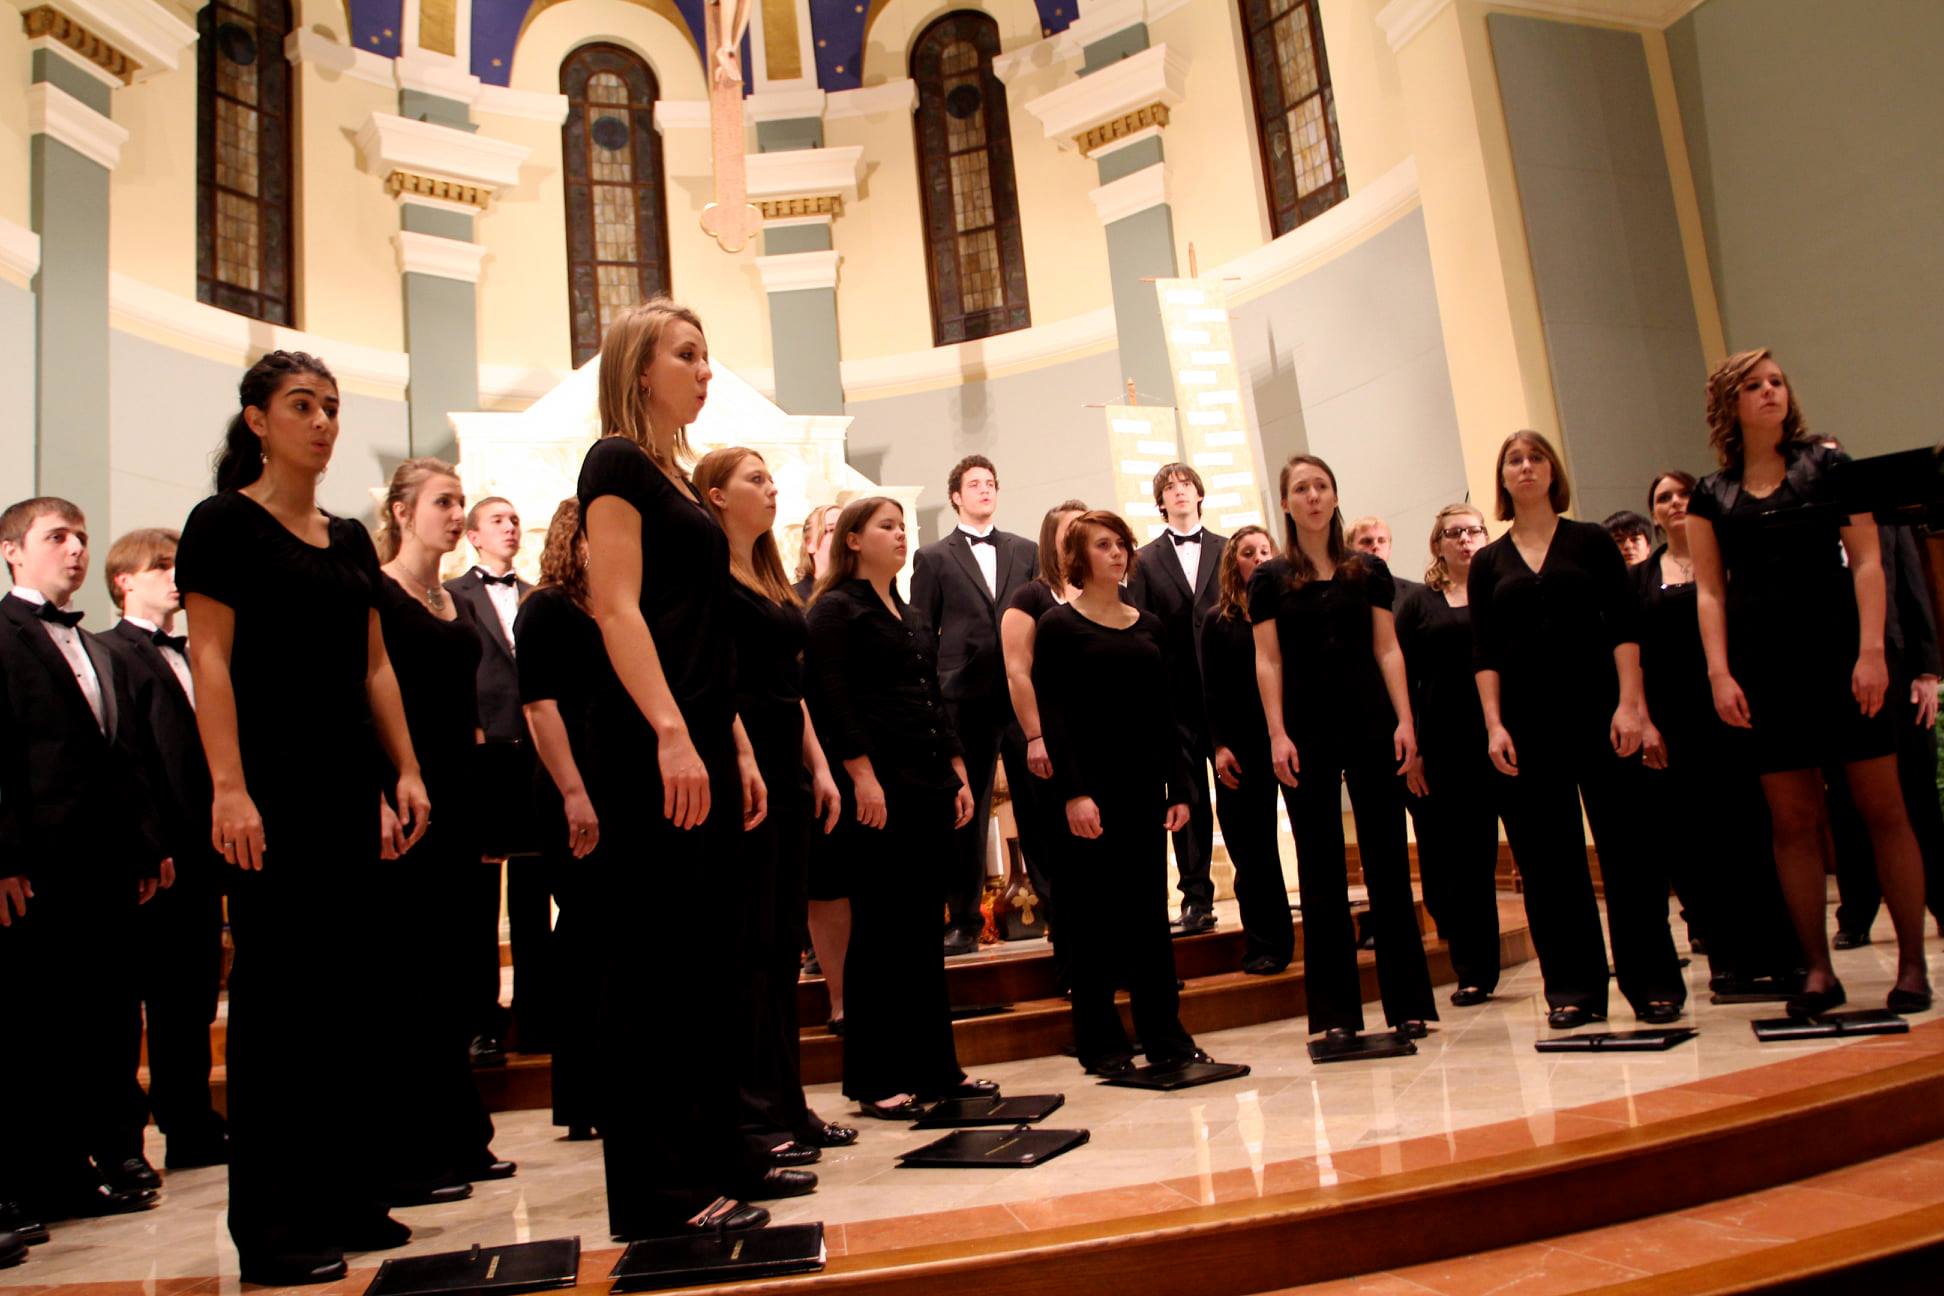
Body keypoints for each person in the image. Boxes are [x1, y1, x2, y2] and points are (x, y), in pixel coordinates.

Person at [176, 351, 429, 1284]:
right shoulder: (223, 525)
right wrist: (228, 787)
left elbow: (373, 667)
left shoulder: (352, 537)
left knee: (349, 1004)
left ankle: (345, 1198)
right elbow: (210, 660)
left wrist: (403, 768)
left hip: (346, 793)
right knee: (280, 1014)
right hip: (270, 796)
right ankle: (275, 1234)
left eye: (329, 407)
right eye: (300, 406)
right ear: (255, 420)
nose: (321, 422)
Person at [576, 301, 800, 1239]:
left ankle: (709, 1159)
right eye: (688, 356)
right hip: (647, 744)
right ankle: (659, 1193)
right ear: (639, 369)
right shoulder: (617, 463)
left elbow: (707, 633)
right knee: (653, 970)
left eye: (708, 355)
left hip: (702, 740)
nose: (707, 371)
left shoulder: (670, 473)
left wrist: (734, 744)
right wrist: (670, 731)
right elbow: (615, 605)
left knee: (703, 966)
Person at [1687, 350, 1932, 1015]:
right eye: (1753, 385)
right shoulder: (1712, 493)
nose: (1769, 392)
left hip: (1842, 657)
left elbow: (1870, 563)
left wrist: (1872, 652)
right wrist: (1719, 672)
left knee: (1882, 808)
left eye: (1776, 382)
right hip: (1765, 669)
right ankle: (1818, 970)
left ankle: (1912, 963)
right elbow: (1709, 590)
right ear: (1728, 403)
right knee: (1792, 822)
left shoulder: (1826, 466)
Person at [1469, 430, 1685, 1030]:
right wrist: (1493, 725)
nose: (1526, 467)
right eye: (1514, 459)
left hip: (1601, 710)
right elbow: (1484, 652)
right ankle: (1572, 988)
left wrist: (1631, 706)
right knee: (1547, 862)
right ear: (1504, 479)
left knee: (1628, 852)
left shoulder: (1589, 542)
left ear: (1552, 471)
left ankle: (1653, 984)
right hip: (1527, 723)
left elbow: (1624, 627)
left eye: (1535, 457)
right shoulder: (1489, 561)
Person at [0, 497, 166, 1243]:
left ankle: (89, 1164)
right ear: (12, 551)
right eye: (55, 537)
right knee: (41, 1024)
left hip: (105, 863)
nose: (73, 550)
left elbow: (123, 756)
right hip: (39, 864)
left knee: (105, 1016)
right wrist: (3, 858)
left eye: (80, 539)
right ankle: (38, 1172)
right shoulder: (1, 635)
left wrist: (143, 844)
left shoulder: (99, 648)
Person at [805, 497, 994, 1118]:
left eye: (902, 526)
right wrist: (861, 774)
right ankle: (874, 1077)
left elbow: (931, 698)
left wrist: (960, 769)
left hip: (928, 782)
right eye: (887, 526)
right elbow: (831, 697)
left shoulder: (909, 611)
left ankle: (937, 1068)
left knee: (921, 933)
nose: (900, 534)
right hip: (880, 787)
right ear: (853, 540)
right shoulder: (836, 609)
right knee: (880, 933)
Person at [694, 448, 856, 1165]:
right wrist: (744, 757)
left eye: (770, 477)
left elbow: (793, 688)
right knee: (747, 948)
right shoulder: (703, 575)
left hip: (786, 768)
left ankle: (787, 1101)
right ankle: (751, 1114)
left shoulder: (767, 577)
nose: (771, 488)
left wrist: (818, 764)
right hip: (740, 769)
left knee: (782, 946)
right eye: (755, 479)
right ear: (716, 496)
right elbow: (712, 681)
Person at [1250, 456, 1437, 1043]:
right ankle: (1334, 1015)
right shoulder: (1269, 578)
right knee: (1320, 867)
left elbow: (1388, 649)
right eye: (1300, 488)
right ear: (1285, 502)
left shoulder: (1368, 570)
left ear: (1335, 497)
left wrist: (1406, 720)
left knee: (1386, 860)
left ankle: (1407, 1003)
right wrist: (1276, 732)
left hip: (1371, 722)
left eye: (1321, 486)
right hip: (1305, 730)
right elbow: (1268, 659)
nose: (1312, 496)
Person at [374, 459, 513, 1197]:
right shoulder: (380, 592)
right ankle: (415, 1149)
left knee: (460, 973)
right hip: (409, 791)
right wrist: (388, 784)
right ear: (401, 512)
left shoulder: (451, 601)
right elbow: (364, 698)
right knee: (413, 979)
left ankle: (463, 1136)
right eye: (442, 501)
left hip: (459, 790)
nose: (456, 513)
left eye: (461, 500)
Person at [1035, 510, 1208, 1074]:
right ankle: (1102, 1042)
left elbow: (1166, 714)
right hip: (1089, 791)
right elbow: (1054, 717)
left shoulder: (1148, 625)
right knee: (1091, 920)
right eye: (1103, 545)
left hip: (1142, 789)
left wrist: (1179, 787)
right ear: (1079, 559)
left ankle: (1166, 1034)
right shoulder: (1059, 626)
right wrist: (1073, 793)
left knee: (1147, 918)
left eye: (1121, 544)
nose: (1116, 553)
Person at [1632, 472, 1800, 989]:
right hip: (1673, 718)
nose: (1675, 503)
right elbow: (1632, 655)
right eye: (1664, 498)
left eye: (1684, 494)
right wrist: (1644, 721)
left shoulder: (1727, 558)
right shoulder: (1639, 578)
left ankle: (1782, 953)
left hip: (1733, 706)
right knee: (1697, 844)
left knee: (1754, 831)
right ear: (1654, 513)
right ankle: (1728, 959)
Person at [100, 528, 229, 1171]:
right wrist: (148, 841)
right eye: (160, 566)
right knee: (142, 997)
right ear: (124, 579)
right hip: (159, 851)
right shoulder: (110, 652)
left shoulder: (197, 648)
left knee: (192, 995)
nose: (174, 574)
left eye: (178, 564)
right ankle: (129, 1134)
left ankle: (191, 1122)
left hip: (207, 845)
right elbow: (129, 760)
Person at [1811, 442, 1944, 948]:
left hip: (1894, 664)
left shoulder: (1886, 521)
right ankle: (1856, 913)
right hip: (1831, 672)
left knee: (1915, 795)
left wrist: (1926, 670)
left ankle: (1941, 901)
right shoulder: (1808, 529)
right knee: (1844, 801)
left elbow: (1914, 589)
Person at [910, 456, 1038, 956]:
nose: (984, 490)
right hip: (963, 698)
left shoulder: (1025, 550)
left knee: (1039, 805)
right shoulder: (934, 557)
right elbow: (923, 630)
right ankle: (962, 920)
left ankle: (1055, 903)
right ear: (956, 497)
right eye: (974, 485)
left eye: (990, 483)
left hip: (1020, 694)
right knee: (965, 812)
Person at [512, 500, 609, 1140]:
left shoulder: (615, 609)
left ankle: (616, 1083)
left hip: (618, 786)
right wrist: (573, 791)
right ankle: (582, 1096)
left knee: (610, 938)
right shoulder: (546, 608)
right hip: (572, 787)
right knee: (582, 937)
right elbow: (539, 708)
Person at [1393, 506, 1504, 1005]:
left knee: (1509, 857)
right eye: (1452, 534)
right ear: (1438, 545)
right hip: (1444, 746)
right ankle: (1471, 964)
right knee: (1455, 864)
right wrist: (1412, 749)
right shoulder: (1420, 603)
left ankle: (1495, 970)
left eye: (1472, 531)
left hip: (1503, 739)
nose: (1464, 540)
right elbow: (1403, 681)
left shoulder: (1503, 593)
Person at [443, 496, 540, 1064]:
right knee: (478, 899)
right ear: (474, 536)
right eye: (498, 520)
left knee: (533, 891)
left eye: (514, 518)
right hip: (484, 752)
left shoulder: (536, 597)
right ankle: (480, 1021)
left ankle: (535, 1013)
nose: (510, 526)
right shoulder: (452, 597)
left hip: (535, 753)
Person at [1128, 464, 1224, 933]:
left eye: (1186, 485)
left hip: (1228, 696)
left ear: (1199, 494)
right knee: (1187, 801)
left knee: (1240, 799)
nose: (1179, 492)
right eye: (1169, 488)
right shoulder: (1143, 560)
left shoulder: (1228, 550)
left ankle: (1257, 888)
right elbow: (1142, 628)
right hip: (1175, 699)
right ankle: (1196, 899)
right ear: (1160, 502)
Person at [999, 499, 1091, 984]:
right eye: (1072, 529)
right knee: (1057, 849)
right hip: (1045, 740)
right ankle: (1073, 961)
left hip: (1096, 743)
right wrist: (1035, 735)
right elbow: (1017, 672)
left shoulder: (1107, 593)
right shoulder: (1029, 598)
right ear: (1051, 541)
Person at [1201, 524, 1290, 974]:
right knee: (1250, 850)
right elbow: (1210, 691)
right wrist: (1218, 746)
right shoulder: (1218, 620)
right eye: (1248, 552)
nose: (1258, 558)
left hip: (1292, 739)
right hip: (1241, 745)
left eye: (1265, 550)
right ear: (1233, 563)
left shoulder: (1291, 612)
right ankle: (1265, 944)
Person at [793, 501, 850, 1025]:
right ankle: (840, 998)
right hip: (819, 753)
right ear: (811, 544)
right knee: (828, 881)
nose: (840, 537)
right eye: (830, 529)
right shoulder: (793, 603)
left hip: (871, 756)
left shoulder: (872, 598)